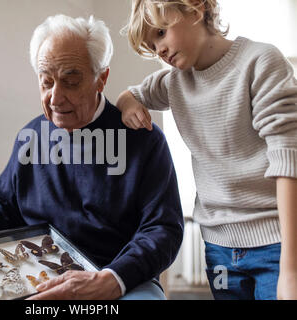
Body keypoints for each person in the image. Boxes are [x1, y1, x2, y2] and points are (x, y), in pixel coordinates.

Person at [0, 14, 184, 300]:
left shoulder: (143, 138)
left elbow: (162, 229)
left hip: (120, 278)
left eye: (70, 82)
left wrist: (111, 280)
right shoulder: (31, 136)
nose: (55, 98)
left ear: (101, 79)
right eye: (46, 82)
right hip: (38, 274)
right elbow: (4, 205)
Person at [115, 0, 297, 300]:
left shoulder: (261, 61)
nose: (158, 49)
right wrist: (128, 102)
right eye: (151, 44)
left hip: (277, 243)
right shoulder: (174, 82)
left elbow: (289, 159)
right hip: (219, 249)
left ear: (196, 8)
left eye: (161, 32)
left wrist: (291, 270)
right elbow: (132, 93)